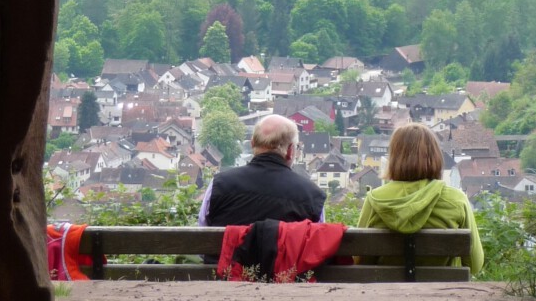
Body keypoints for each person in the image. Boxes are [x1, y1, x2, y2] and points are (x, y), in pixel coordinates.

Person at [357, 122, 484, 274]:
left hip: (386, 293)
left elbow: (359, 259)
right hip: (442, 293)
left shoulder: (375, 199)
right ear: (435, 156)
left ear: (394, 158)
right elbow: (475, 265)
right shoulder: (456, 200)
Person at [198, 113, 326, 227]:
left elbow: (203, 229)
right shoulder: (313, 197)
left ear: (252, 144)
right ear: (290, 150)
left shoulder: (219, 184)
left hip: (229, 254)